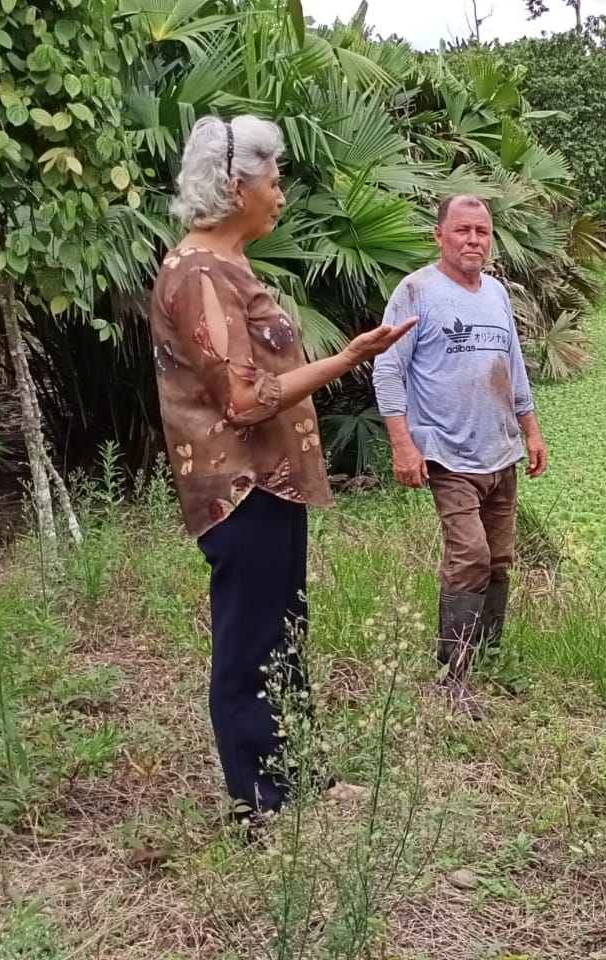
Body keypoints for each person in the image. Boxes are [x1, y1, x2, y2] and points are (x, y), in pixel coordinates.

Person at [147, 114, 414, 825]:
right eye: (274, 181)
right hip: (240, 488)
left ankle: (300, 779)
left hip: (272, 482)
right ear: (237, 189)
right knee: (250, 646)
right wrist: (347, 359)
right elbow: (241, 399)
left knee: (284, 634)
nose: (281, 195)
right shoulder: (200, 273)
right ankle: (259, 805)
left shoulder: (226, 265)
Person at [372, 195, 547, 720]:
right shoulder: (416, 291)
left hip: (501, 451)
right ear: (439, 236)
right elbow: (387, 368)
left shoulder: (496, 293)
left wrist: (531, 430)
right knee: (469, 556)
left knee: (499, 559)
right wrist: (403, 444)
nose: (474, 240)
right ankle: (455, 675)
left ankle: (490, 656)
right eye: (462, 230)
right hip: (448, 454)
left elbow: (513, 367)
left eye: (482, 232)